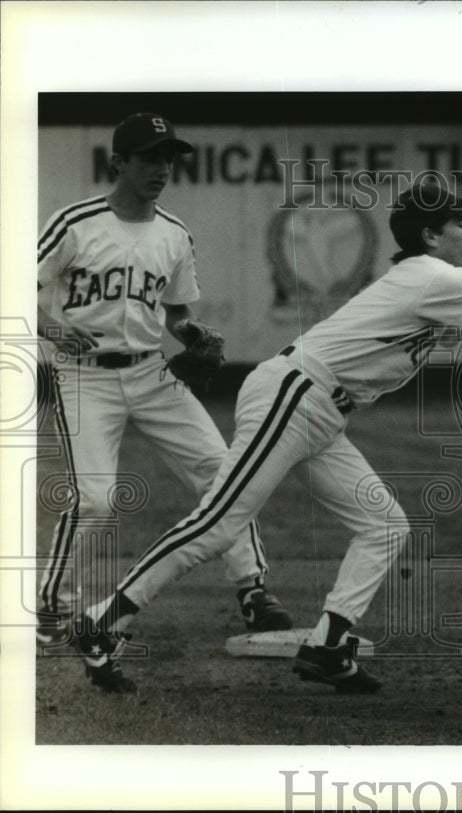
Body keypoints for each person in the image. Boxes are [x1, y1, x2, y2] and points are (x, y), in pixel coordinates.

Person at [71, 180, 462, 693]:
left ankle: (330, 644)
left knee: (384, 524)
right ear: (429, 236)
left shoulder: (434, 281)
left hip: (321, 408)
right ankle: (104, 619)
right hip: (296, 391)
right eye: (457, 221)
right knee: (220, 522)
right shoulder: (433, 276)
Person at [36, 113, 292, 647]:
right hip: (84, 377)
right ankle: (53, 608)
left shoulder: (174, 234)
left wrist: (190, 331)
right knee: (96, 500)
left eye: (168, 158)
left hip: (152, 371)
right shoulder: (75, 223)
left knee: (226, 473)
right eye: (150, 157)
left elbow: (176, 313)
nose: (162, 168)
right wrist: (53, 329)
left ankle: (252, 589)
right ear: (119, 163)